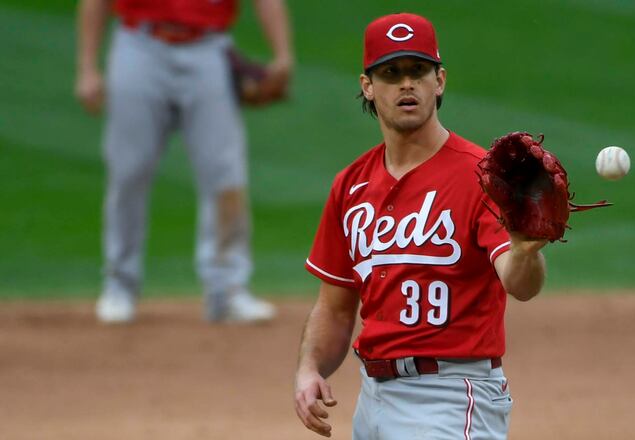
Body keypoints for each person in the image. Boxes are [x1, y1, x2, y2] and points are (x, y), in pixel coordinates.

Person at [294, 12, 547, 439]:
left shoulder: (483, 176)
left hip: (451, 395)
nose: (406, 83)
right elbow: (335, 306)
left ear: (439, 81)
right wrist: (308, 368)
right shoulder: (351, 185)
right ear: (368, 87)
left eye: (418, 70)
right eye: (391, 73)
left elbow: (521, 285)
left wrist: (524, 248)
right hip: (373, 399)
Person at [74, 0, 294, 323]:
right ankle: (119, 285)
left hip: (209, 50)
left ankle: (227, 290)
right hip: (139, 46)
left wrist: (283, 55)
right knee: (128, 171)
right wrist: (87, 68)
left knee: (225, 174)